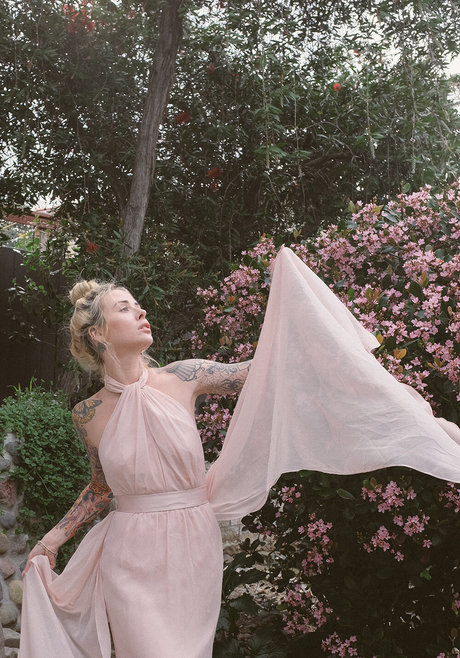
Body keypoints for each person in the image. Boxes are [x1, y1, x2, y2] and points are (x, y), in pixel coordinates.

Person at [19, 247, 460, 658]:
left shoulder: (185, 376)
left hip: (193, 545)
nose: (141, 311)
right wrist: (51, 541)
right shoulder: (88, 414)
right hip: (128, 553)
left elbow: (265, 371)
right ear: (98, 333)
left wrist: (303, 317)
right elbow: (101, 488)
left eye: (138, 304)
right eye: (124, 308)